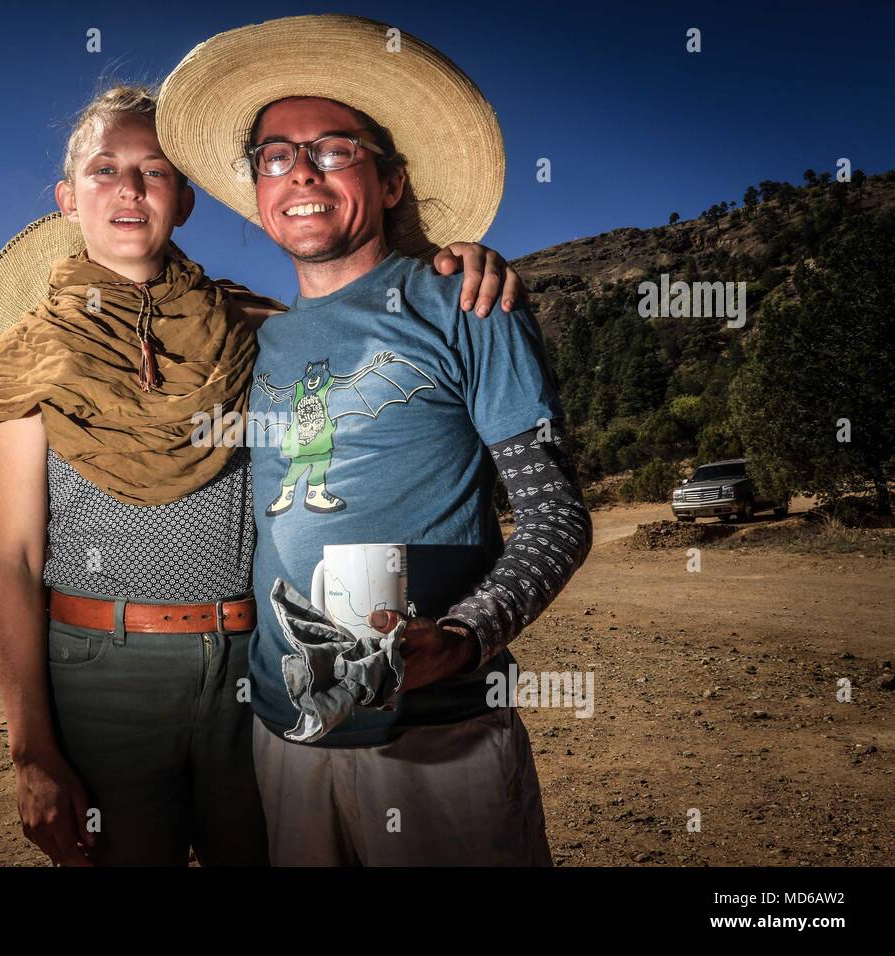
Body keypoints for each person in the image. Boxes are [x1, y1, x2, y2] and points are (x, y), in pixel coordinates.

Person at [0, 84, 527, 866]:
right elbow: (12, 559)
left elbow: (356, 309)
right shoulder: (28, 358)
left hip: (252, 670)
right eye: (103, 170)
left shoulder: (254, 331)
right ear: (67, 198)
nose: (129, 189)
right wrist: (30, 755)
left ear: (185, 200)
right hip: (101, 671)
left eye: (154, 171)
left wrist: (453, 258)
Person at [157, 14, 594, 865]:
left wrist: (464, 638)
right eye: (275, 156)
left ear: (391, 182)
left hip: (440, 740)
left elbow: (555, 518)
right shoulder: (253, 342)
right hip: (285, 737)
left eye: (334, 148)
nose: (301, 171)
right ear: (257, 192)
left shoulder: (465, 304)